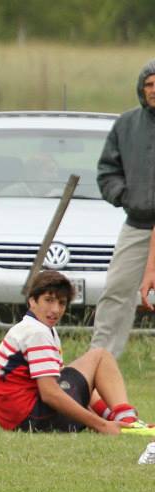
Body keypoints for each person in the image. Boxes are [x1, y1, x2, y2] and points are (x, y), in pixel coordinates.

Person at [0, 271, 146, 434]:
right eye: (49, 300)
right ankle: (129, 421)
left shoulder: (32, 327)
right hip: (33, 419)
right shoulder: (37, 332)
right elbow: (50, 394)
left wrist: (96, 419)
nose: (55, 309)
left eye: (62, 303)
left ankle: (119, 419)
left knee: (84, 374)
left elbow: (61, 384)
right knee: (100, 356)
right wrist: (100, 425)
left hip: (17, 420)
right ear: (32, 301)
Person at [92, 58, 155, 358]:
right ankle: (99, 361)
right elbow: (107, 171)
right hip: (138, 226)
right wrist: (126, 197)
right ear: (141, 90)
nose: (154, 90)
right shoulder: (126, 125)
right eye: (149, 84)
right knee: (116, 292)